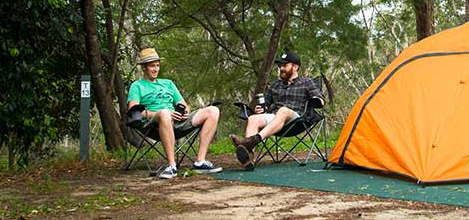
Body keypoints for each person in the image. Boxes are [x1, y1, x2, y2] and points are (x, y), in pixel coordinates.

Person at [127, 48, 223, 179]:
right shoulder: (137, 86)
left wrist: (183, 112)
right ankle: (172, 166)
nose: (155, 69)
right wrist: (161, 113)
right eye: (152, 66)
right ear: (144, 68)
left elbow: (184, 105)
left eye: (157, 65)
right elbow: (134, 112)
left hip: (178, 122)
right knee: (165, 113)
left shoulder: (168, 83)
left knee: (213, 110)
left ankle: (200, 161)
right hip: (154, 124)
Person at [229, 51, 324, 170]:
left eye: (285, 65)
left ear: (295, 67)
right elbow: (266, 105)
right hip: (276, 120)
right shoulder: (275, 85)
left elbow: (320, 99)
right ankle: (248, 157)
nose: (281, 68)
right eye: (280, 66)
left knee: (283, 110)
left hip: (297, 119)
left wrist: (318, 101)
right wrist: (261, 109)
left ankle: (253, 140)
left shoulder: (306, 82)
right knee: (253, 118)